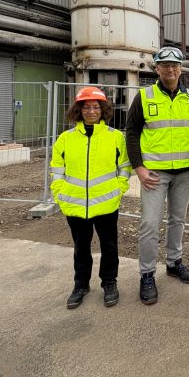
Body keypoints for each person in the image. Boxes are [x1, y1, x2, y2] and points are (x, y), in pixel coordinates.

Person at [125, 46, 189, 305]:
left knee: (177, 220)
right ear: (157, 69)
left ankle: (174, 262)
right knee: (150, 224)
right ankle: (147, 274)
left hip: (185, 172)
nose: (170, 69)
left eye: (175, 66)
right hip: (154, 174)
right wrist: (139, 168)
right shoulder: (144, 97)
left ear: (180, 69)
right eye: (165, 65)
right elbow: (132, 133)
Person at [50, 86, 132, 309]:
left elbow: (125, 167)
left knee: (109, 246)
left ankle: (109, 283)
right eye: (86, 107)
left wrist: (119, 189)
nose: (91, 111)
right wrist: (60, 193)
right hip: (75, 204)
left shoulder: (115, 137)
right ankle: (80, 285)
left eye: (96, 107)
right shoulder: (65, 139)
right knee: (81, 248)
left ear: (103, 110)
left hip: (106, 203)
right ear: (79, 110)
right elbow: (57, 170)